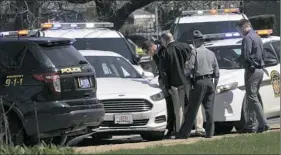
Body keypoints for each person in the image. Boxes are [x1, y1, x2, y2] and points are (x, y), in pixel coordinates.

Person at [176, 30, 219, 139]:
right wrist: (215, 84)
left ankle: (184, 134)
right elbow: (217, 71)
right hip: (210, 82)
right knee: (209, 109)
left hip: (199, 82)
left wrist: (188, 79)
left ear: (196, 41)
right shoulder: (211, 53)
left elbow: (188, 68)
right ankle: (210, 133)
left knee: (193, 109)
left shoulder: (194, 52)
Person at [235, 19, 270, 133]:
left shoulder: (247, 38)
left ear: (243, 27)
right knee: (252, 97)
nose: (238, 32)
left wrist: (237, 60)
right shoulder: (256, 36)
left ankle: (263, 124)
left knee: (252, 98)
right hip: (259, 70)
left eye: (238, 29)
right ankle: (251, 125)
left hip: (252, 70)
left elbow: (246, 55)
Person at [160, 32, 193, 134]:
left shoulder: (166, 52)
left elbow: (163, 72)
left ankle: (180, 129)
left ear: (166, 40)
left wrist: (167, 86)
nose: (162, 44)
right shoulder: (186, 47)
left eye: (162, 42)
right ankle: (197, 127)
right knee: (193, 105)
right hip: (188, 80)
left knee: (178, 108)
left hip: (175, 83)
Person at [142, 40, 176, 138]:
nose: (147, 54)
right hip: (164, 83)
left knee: (172, 106)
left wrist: (168, 85)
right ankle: (170, 128)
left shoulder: (163, 51)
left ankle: (172, 128)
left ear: (151, 48)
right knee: (169, 106)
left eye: (146, 52)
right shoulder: (156, 55)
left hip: (170, 83)